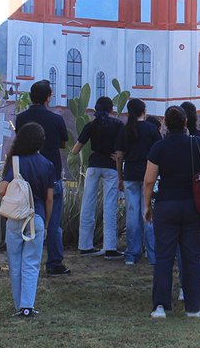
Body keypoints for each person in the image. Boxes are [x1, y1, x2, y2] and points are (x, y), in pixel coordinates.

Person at [144, 106, 200, 318]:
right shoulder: (198, 143)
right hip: (193, 205)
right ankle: (193, 307)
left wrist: (147, 206)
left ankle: (160, 305)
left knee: (164, 256)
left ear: (166, 123)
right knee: (192, 256)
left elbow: (149, 180)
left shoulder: (159, 147)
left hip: (166, 205)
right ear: (185, 122)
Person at [0, 123, 55, 318]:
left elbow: (2, 190)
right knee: (31, 263)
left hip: (15, 217)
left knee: (14, 263)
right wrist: (46, 223)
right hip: (36, 218)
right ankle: (27, 306)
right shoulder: (47, 165)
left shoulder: (14, 163)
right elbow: (49, 198)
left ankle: (18, 305)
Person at [15, 80, 71, 275]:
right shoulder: (56, 119)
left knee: (23, 218)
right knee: (54, 223)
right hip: (52, 175)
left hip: (26, 175)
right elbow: (64, 143)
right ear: (49, 97)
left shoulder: (21, 118)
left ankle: (23, 259)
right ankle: (54, 263)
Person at [70, 96, 123, 259]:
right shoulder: (118, 125)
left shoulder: (90, 125)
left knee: (87, 203)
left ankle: (85, 245)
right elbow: (121, 151)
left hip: (93, 165)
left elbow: (75, 149)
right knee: (109, 206)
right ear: (111, 109)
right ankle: (110, 248)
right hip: (110, 167)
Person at [114, 98, 160, 266]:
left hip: (130, 174)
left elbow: (119, 156)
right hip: (148, 175)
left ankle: (132, 253)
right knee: (147, 213)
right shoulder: (151, 129)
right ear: (144, 111)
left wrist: (120, 177)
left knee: (132, 214)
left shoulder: (124, 130)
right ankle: (152, 253)